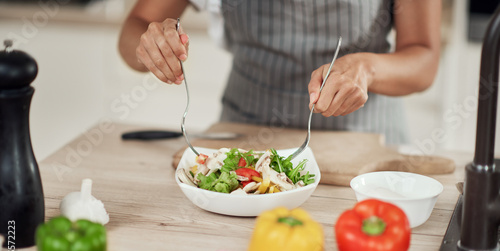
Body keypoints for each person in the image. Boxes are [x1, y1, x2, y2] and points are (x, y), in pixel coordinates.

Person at [118, 0, 441, 144]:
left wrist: (367, 68)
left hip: (366, 139)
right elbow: (132, 32)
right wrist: (150, 46)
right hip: (245, 136)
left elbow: (423, 61)